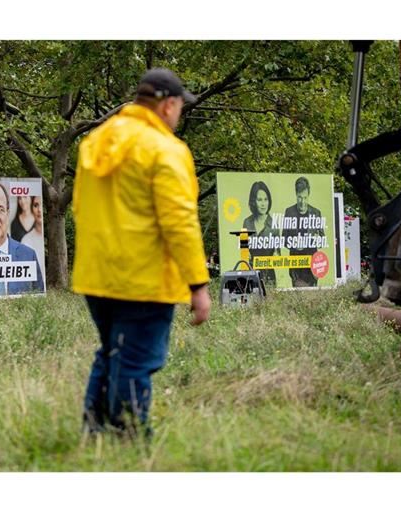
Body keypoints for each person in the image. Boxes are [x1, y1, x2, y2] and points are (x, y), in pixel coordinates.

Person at [72, 68, 211, 438]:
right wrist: (198, 283)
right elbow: (179, 222)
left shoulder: (95, 142)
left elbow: (80, 209)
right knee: (135, 360)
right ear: (167, 106)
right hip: (143, 279)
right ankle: (131, 437)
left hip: (96, 276)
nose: (180, 114)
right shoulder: (166, 149)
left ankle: (95, 431)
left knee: (111, 353)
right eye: (181, 106)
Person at [282, 176, 324, 287]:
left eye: (305, 197)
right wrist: (293, 245)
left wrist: (317, 239)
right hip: (296, 263)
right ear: (296, 195)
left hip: (312, 263)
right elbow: (283, 239)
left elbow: (322, 237)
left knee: (313, 297)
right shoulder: (289, 212)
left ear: (308, 195)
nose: (302, 201)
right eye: (300, 197)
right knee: (298, 296)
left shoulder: (316, 213)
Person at [242, 181, 279, 286]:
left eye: (265, 199)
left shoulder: (274, 224)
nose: (263, 204)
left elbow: (277, 254)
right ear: (253, 202)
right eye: (259, 200)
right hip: (250, 274)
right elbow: (243, 250)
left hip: (269, 276)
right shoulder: (247, 222)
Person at [20, 196, 45, 283]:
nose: (39, 210)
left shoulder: (53, 237)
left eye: (42, 205)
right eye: (36, 205)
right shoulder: (26, 240)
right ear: (31, 209)